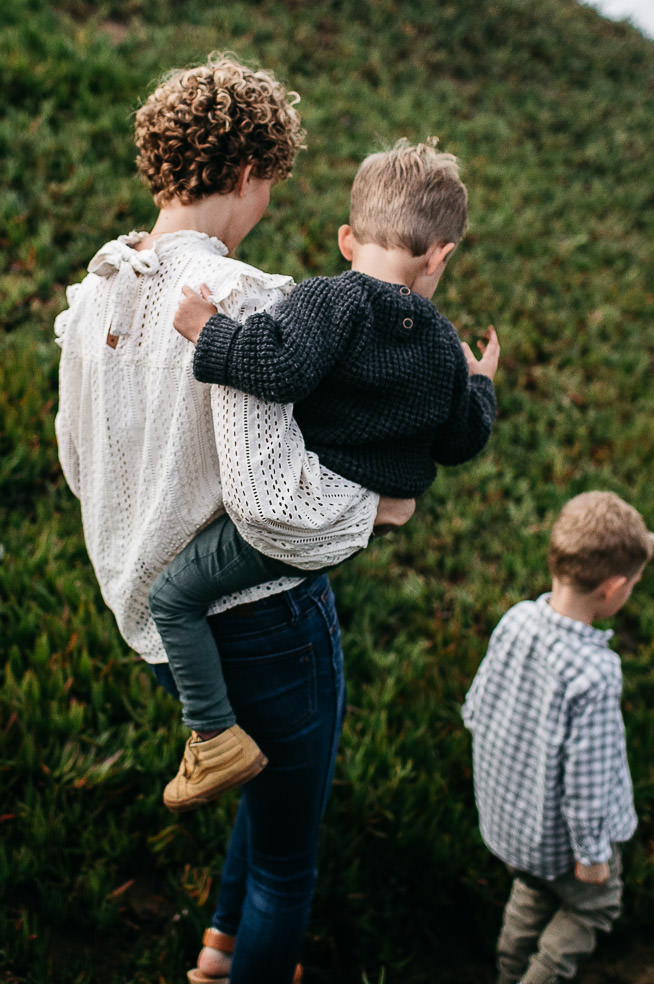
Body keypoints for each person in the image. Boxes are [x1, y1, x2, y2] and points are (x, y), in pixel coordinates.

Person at [55, 53, 412, 984]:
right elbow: (273, 504)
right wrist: (374, 505)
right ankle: (243, 958)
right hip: (267, 618)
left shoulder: (93, 294)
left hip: (167, 618)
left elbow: (76, 461)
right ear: (252, 174)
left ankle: (217, 951)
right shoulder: (246, 300)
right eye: (272, 184)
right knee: (290, 860)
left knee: (261, 781)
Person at [155, 137, 500, 809]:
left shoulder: (327, 302)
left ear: (348, 238)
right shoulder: (439, 343)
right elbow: (461, 441)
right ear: (442, 255)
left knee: (173, 598)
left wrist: (207, 329)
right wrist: (480, 382)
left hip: (290, 513)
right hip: (351, 522)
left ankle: (214, 736)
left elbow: (275, 368)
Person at [461, 491, 654, 984]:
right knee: (594, 908)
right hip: (564, 842)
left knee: (532, 891)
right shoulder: (594, 672)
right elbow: (588, 780)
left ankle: (509, 969)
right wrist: (591, 855)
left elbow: (476, 709)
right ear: (613, 590)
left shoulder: (516, 621)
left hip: (512, 826)